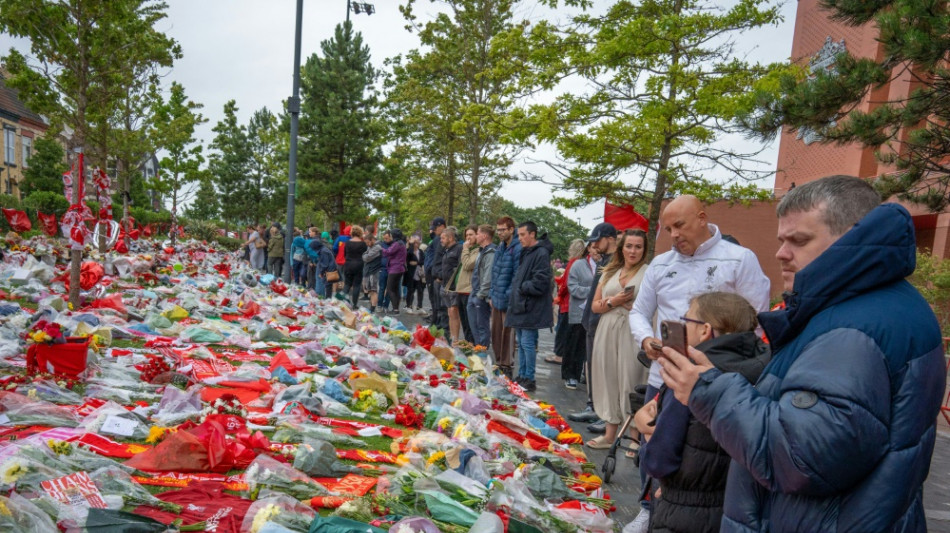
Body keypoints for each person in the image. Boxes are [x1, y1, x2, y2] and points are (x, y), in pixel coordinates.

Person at [659, 176, 946, 532]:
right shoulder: (881, 304)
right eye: (782, 240)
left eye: (799, 240)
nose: (781, 252)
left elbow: (801, 456)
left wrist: (708, 393)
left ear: (851, 237)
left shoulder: (854, 327)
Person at [626, 195, 769, 532]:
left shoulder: (738, 259)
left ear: (702, 218)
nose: (673, 234)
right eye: (667, 228)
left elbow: (755, 319)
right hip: (665, 375)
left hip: (715, 381)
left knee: (702, 459)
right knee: (652, 441)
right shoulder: (661, 264)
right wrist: (647, 341)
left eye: (680, 225)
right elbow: (638, 312)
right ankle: (649, 507)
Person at [638, 292, 770, 533]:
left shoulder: (691, 377)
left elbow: (659, 461)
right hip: (733, 509)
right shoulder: (765, 371)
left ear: (705, 330)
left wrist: (645, 431)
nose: (683, 327)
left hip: (683, 511)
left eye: (687, 321)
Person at [584, 229, 649, 449]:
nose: (633, 251)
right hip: (607, 327)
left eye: (638, 246)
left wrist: (628, 305)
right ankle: (609, 434)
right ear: (622, 248)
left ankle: (634, 438)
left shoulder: (649, 273)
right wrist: (615, 301)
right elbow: (595, 305)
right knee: (608, 377)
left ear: (644, 249)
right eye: (629, 246)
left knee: (631, 379)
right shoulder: (610, 270)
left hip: (632, 330)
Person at [568, 222, 618, 425]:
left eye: (598, 240)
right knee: (593, 366)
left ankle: (605, 413)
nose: (594, 245)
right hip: (591, 318)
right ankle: (593, 405)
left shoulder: (616, 262)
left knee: (604, 367)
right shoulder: (604, 261)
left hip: (602, 319)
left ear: (610, 239)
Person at [504, 221, 553, 392]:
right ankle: (522, 375)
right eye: (519, 235)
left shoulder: (541, 253)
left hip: (531, 307)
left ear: (532, 234)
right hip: (521, 305)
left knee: (527, 343)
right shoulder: (527, 252)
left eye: (523, 235)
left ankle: (529, 378)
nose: (520, 238)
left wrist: (523, 287)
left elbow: (541, 282)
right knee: (522, 343)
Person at [490, 216, 521, 378]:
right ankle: (499, 361)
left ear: (511, 229)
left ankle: (507, 365)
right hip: (496, 296)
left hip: (508, 299)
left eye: (503, 230)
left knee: (508, 334)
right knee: (495, 332)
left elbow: (516, 276)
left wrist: (508, 295)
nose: (500, 233)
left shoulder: (517, 248)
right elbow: (494, 272)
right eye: (498, 230)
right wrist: (491, 294)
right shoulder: (501, 247)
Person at [563, 239, 595, 390]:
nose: (596, 251)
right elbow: (572, 287)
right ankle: (571, 375)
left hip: (597, 312)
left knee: (590, 346)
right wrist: (593, 291)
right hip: (579, 311)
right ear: (588, 248)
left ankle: (586, 374)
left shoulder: (606, 266)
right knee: (575, 344)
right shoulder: (579, 264)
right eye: (593, 247)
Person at [549, 239, 586, 366]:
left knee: (562, 330)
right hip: (577, 304)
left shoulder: (573, 263)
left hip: (567, 303)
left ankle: (559, 355)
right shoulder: (584, 263)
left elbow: (566, 283)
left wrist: (559, 295)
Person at [448, 225, 478, 342]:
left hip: (469, 290)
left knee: (471, 324)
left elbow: (468, 264)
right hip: (461, 290)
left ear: (477, 235)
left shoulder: (477, 250)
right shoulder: (468, 250)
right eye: (466, 235)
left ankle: (472, 346)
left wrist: (465, 249)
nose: (468, 238)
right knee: (464, 322)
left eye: (471, 235)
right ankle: (467, 345)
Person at [467, 224, 495, 348]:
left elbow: (488, 276)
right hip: (475, 291)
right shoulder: (481, 251)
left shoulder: (491, 252)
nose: (476, 236)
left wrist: (481, 294)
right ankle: (478, 347)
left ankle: (482, 350)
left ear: (484, 236)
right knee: (473, 323)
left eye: (477, 233)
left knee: (481, 325)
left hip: (481, 294)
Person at [438, 226, 463, 340]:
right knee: (450, 313)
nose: (441, 240)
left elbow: (460, 267)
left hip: (453, 287)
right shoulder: (446, 250)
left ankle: (456, 340)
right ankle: (453, 339)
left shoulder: (459, 249)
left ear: (451, 238)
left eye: (443, 238)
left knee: (454, 313)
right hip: (445, 286)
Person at [425, 217, 446, 324]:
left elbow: (438, 258)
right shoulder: (436, 238)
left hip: (434, 274)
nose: (433, 230)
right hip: (432, 272)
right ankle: (435, 321)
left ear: (442, 226)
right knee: (434, 300)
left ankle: (436, 323)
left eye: (435, 228)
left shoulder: (439, 240)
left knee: (435, 301)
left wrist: (436, 273)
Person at [382, 229, 408, 314]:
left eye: (392, 235)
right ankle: (396, 308)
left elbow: (388, 252)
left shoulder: (397, 244)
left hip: (395, 268)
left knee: (390, 288)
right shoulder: (401, 243)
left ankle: (395, 309)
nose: (391, 237)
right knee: (396, 289)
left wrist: (380, 249)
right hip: (400, 268)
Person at [342, 226, 367, 307]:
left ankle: (344, 302)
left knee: (347, 284)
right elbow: (365, 255)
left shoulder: (347, 243)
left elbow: (344, 254)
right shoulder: (363, 244)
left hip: (348, 264)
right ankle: (355, 304)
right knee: (356, 285)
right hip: (359, 265)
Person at [306, 232, 337, 298]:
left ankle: (326, 298)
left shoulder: (323, 251)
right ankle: (326, 298)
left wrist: (321, 272)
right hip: (329, 268)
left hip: (329, 270)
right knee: (327, 285)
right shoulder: (323, 250)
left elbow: (324, 264)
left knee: (326, 285)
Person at [361, 231, 383, 312]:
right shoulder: (371, 246)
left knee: (373, 290)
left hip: (373, 271)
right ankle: (371, 307)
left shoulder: (377, 247)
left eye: (367, 242)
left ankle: (373, 308)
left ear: (372, 240)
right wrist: (365, 255)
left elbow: (366, 257)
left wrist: (365, 255)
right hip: (369, 270)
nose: (366, 244)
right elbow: (365, 255)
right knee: (369, 290)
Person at [404, 236, 426, 314]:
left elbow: (423, 261)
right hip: (411, 273)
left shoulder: (421, 251)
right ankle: (408, 306)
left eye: (418, 242)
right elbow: (408, 258)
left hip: (419, 274)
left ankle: (419, 306)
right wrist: (410, 245)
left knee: (420, 290)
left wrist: (416, 263)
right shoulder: (409, 251)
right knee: (411, 290)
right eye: (415, 242)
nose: (417, 244)